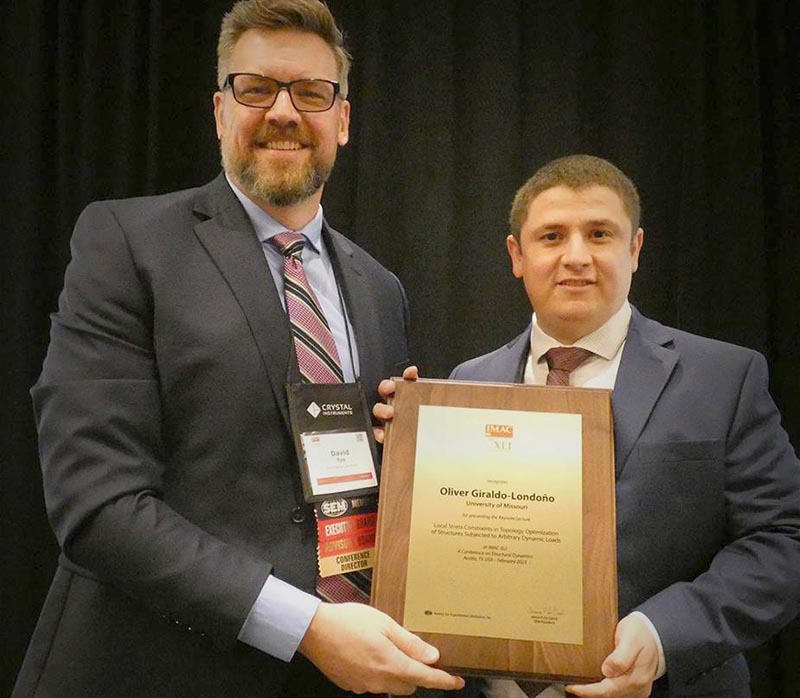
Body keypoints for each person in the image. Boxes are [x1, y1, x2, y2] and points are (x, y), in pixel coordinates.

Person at [13, 1, 466, 696]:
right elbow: (96, 504)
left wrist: (404, 452)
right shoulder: (126, 245)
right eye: (257, 88)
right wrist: (308, 627)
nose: (284, 111)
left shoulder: (380, 288)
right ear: (220, 111)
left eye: (312, 93)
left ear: (342, 120)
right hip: (152, 670)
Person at [376, 154, 800, 698]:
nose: (575, 256)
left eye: (599, 233)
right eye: (551, 236)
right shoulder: (465, 384)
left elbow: (783, 540)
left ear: (635, 249)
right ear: (517, 256)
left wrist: (662, 634)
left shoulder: (725, 378)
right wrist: (404, 453)